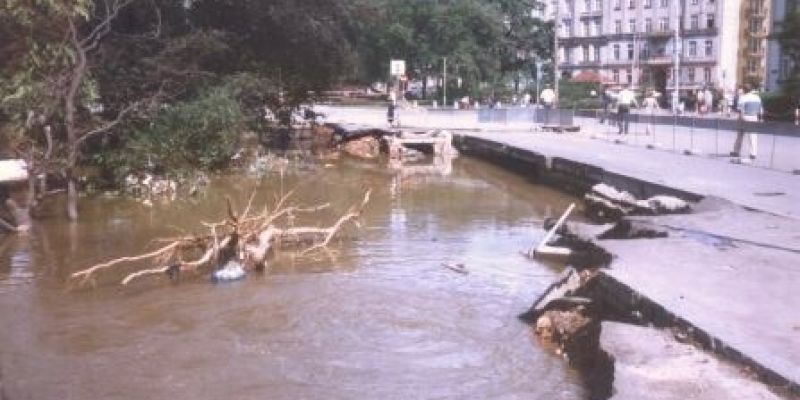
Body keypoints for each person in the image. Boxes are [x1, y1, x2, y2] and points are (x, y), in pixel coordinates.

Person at [731, 87, 762, 161]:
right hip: (754, 117)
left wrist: (741, 118)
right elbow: (760, 110)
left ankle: (736, 151)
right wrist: (760, 118)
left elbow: (741, 110)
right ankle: (753, 153)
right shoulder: (757, 97)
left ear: (744, 91)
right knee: (753, 136)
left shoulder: (743, 98)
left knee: (740, 135)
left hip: (745, 116)